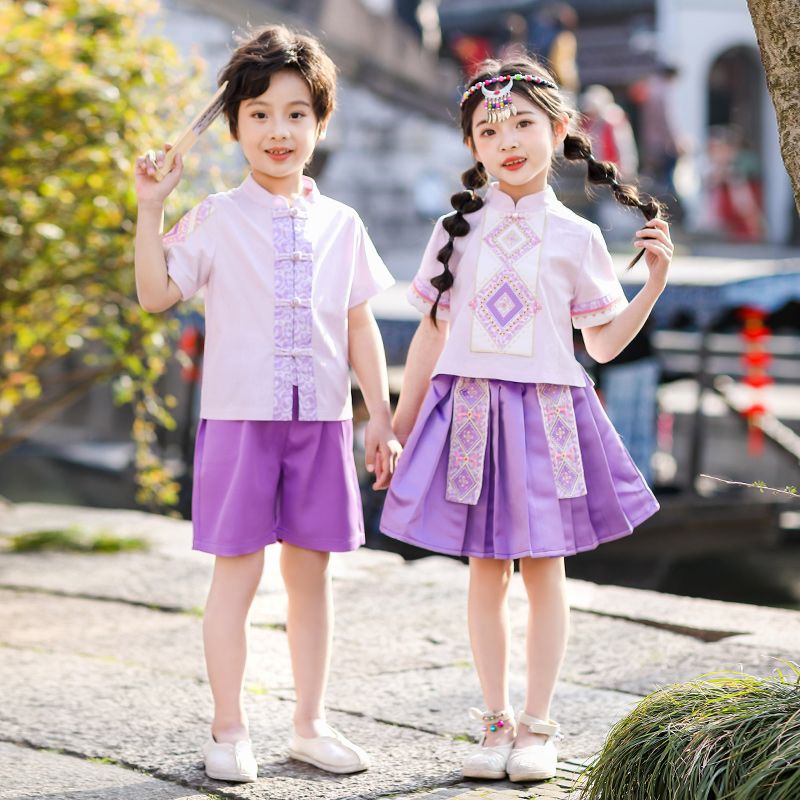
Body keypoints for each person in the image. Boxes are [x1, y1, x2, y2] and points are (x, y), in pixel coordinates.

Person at [378, 56, 672, 783]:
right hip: (469, 410)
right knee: (485, 570)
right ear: (472, 146)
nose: (508, 138)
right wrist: (395, 422)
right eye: (489, 128)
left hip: (546, 413)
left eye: (523, 123)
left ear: (560, 129)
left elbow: (600, 342)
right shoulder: (455, 231)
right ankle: (493, 723)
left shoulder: (578, 237)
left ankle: (538, 724)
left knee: (544, 569)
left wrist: (655, 284)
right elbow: (431, 334)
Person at [134, 24, 400, 783]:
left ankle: (310, 725)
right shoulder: (216, 216)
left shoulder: (342, 223)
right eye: (258, 113)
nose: (277, 130)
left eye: (294, 113)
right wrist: (150, 207)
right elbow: (155, 295)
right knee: (237, 574)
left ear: (320, 123)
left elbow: (358, 322)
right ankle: (228, 730)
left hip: (320, 423)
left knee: (312, 577)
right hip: (239, 421)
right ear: (234, 126)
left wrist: (378, 415)